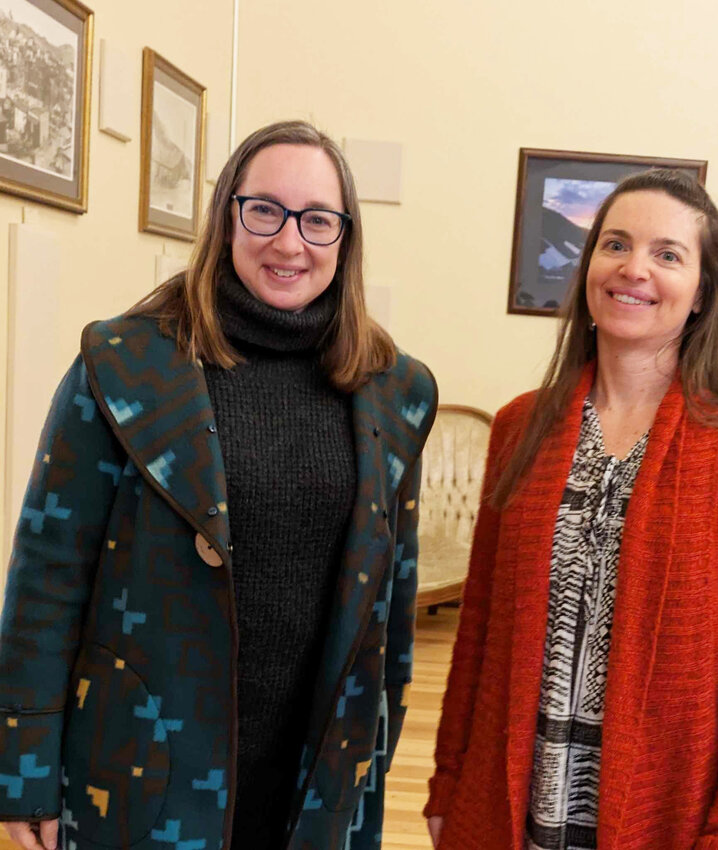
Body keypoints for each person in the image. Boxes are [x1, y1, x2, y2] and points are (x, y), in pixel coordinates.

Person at [0, 120, 437, 850]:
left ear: (345, 238)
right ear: (226, 216)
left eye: (317, 220)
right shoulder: (122, 365)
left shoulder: (396, 391)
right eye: (264, 209)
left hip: (316, 770)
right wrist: (22, 767)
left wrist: (375, 757)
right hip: (144, 764)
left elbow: (390, 605)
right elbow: (48, 580)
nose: (289, 242)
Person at [424, 169, 718, 850]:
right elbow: (479, 626)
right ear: (588, 267)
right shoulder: (521, 426)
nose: (635, 269)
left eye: (668, 254)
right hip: (513, 799)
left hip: (670, 811)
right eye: (615, 244)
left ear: (702, 293)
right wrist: (447, 781)